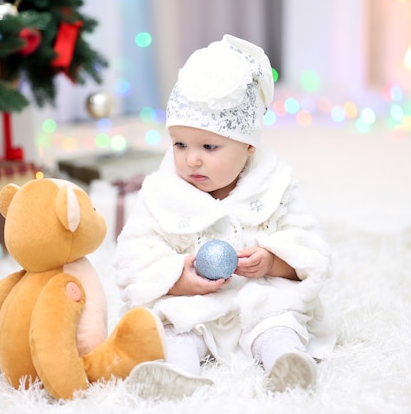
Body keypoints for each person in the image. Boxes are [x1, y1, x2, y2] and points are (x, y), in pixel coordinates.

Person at [113, 34, 334, 400]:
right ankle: (175, 374)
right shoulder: (161, 192)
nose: (191, 159)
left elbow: (311, 247)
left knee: (278, 322)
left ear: (249, 146)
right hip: (192, 304)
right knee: (173, 327)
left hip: (257, 297)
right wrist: (175, 279)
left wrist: (275, 262)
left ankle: (286, 362)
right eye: (180, 144)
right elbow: (133, 255)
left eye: (209, 147)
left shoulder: (275, 185)